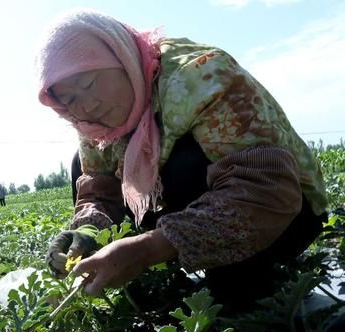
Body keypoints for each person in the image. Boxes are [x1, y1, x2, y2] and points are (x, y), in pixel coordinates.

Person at [37, 9, 328, 310]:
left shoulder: (201, 77)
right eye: (70, 99)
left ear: (119, 57)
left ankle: (243, 282)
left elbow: (267, 190)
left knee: (184, 165)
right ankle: (161, 272)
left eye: (88, 84)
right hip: (189, 220)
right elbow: (99, 190)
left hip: (286, 212)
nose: (88, 105)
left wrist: (150, 248)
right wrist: (85, 234)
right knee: (80, 163)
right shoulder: (92, 123)